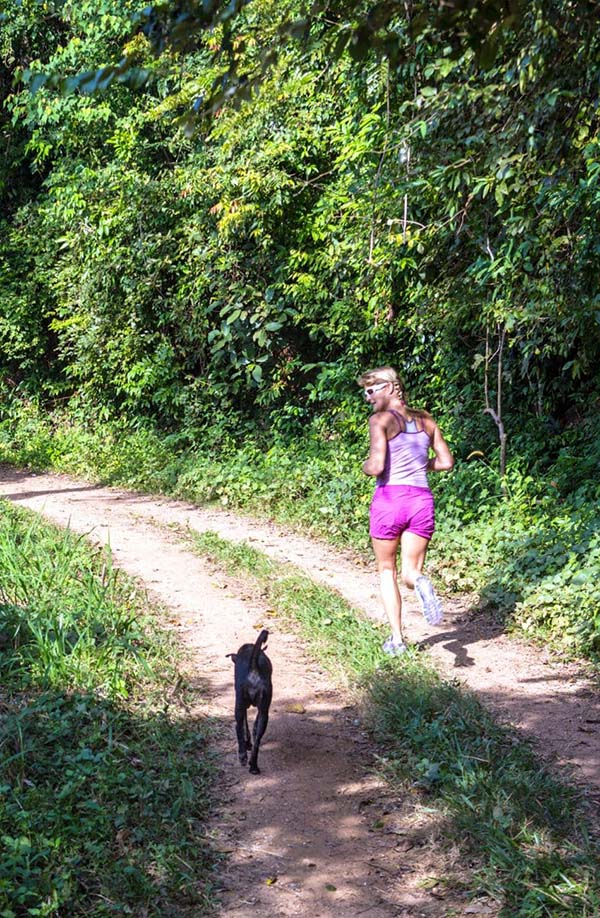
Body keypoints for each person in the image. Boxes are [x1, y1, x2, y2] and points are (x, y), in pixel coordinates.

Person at [359, 366, 454, 656]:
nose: (367, 397)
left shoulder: (380, 420)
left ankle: (397, 640)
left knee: (386, 570)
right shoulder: (426, 419)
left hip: (390, 499)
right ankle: (420, 582)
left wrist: (364, 466)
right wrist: (421, 465)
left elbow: (376, 466)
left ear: (389, 388)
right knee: (410, 571)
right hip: (421, 500)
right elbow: (446, 462)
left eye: (371, 390)